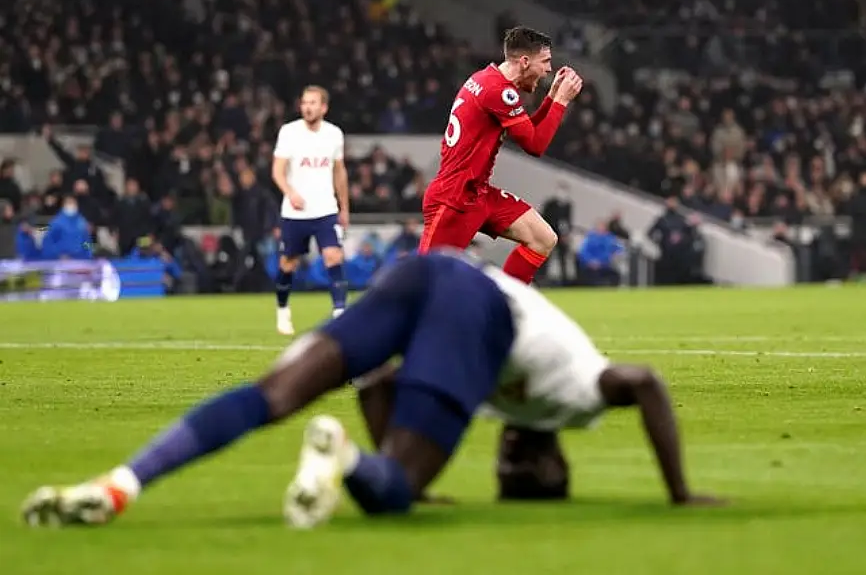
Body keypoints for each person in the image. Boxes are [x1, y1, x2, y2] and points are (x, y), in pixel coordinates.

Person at [21, 250, 719, 530]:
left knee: (274, 392)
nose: (508, 466)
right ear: (555, 456)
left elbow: (379, 380)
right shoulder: (574, 395)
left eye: (508, 473)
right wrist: (680, 494)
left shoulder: (521, 395)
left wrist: (394, 452)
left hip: (420, 274)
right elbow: (646, 381)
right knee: (396, 499)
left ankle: (121, 483)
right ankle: (349, 462)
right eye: (527, 468)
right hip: (474, 304)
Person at [419, 26, 583, 285]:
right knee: (425, 285)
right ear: (525, 61)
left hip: (478, 193)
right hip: (455, 199)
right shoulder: (499, 91)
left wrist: (551, 98)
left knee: (543, 238)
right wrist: (561, 102)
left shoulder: (487, 79)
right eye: (546, 62)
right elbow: (535, 145)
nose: (549, 70)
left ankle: (505, 308)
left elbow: (527, 132)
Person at [271, 85, 350, 335]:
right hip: (295, 212)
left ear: (324, 107)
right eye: (305, 102)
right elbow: (277, 170)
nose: (308, 107)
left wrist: (344, 206)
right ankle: (283, 310)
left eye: (313, 103)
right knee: (288, 263)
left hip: (325, 209)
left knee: (333, 256)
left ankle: (339, 313)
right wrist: (290, 192)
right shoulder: (289, 132)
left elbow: (339, 172)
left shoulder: (334, 134)